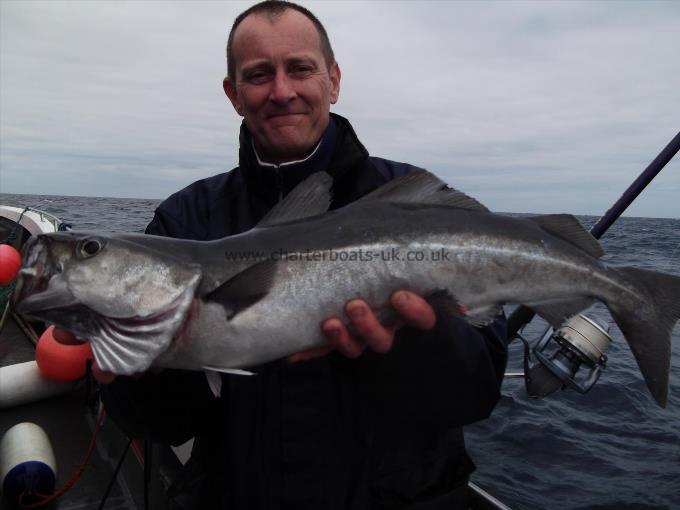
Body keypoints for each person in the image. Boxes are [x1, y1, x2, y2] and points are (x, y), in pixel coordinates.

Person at [90, 2, 508, 508]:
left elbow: (476, 391)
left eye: (301, 68)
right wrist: (143, 367)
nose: (282, 91)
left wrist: (419, 340)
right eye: (260, 74)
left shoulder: (412, 200)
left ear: (333, 80)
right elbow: (160, 425)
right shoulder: (185, 220)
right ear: (234, 93)